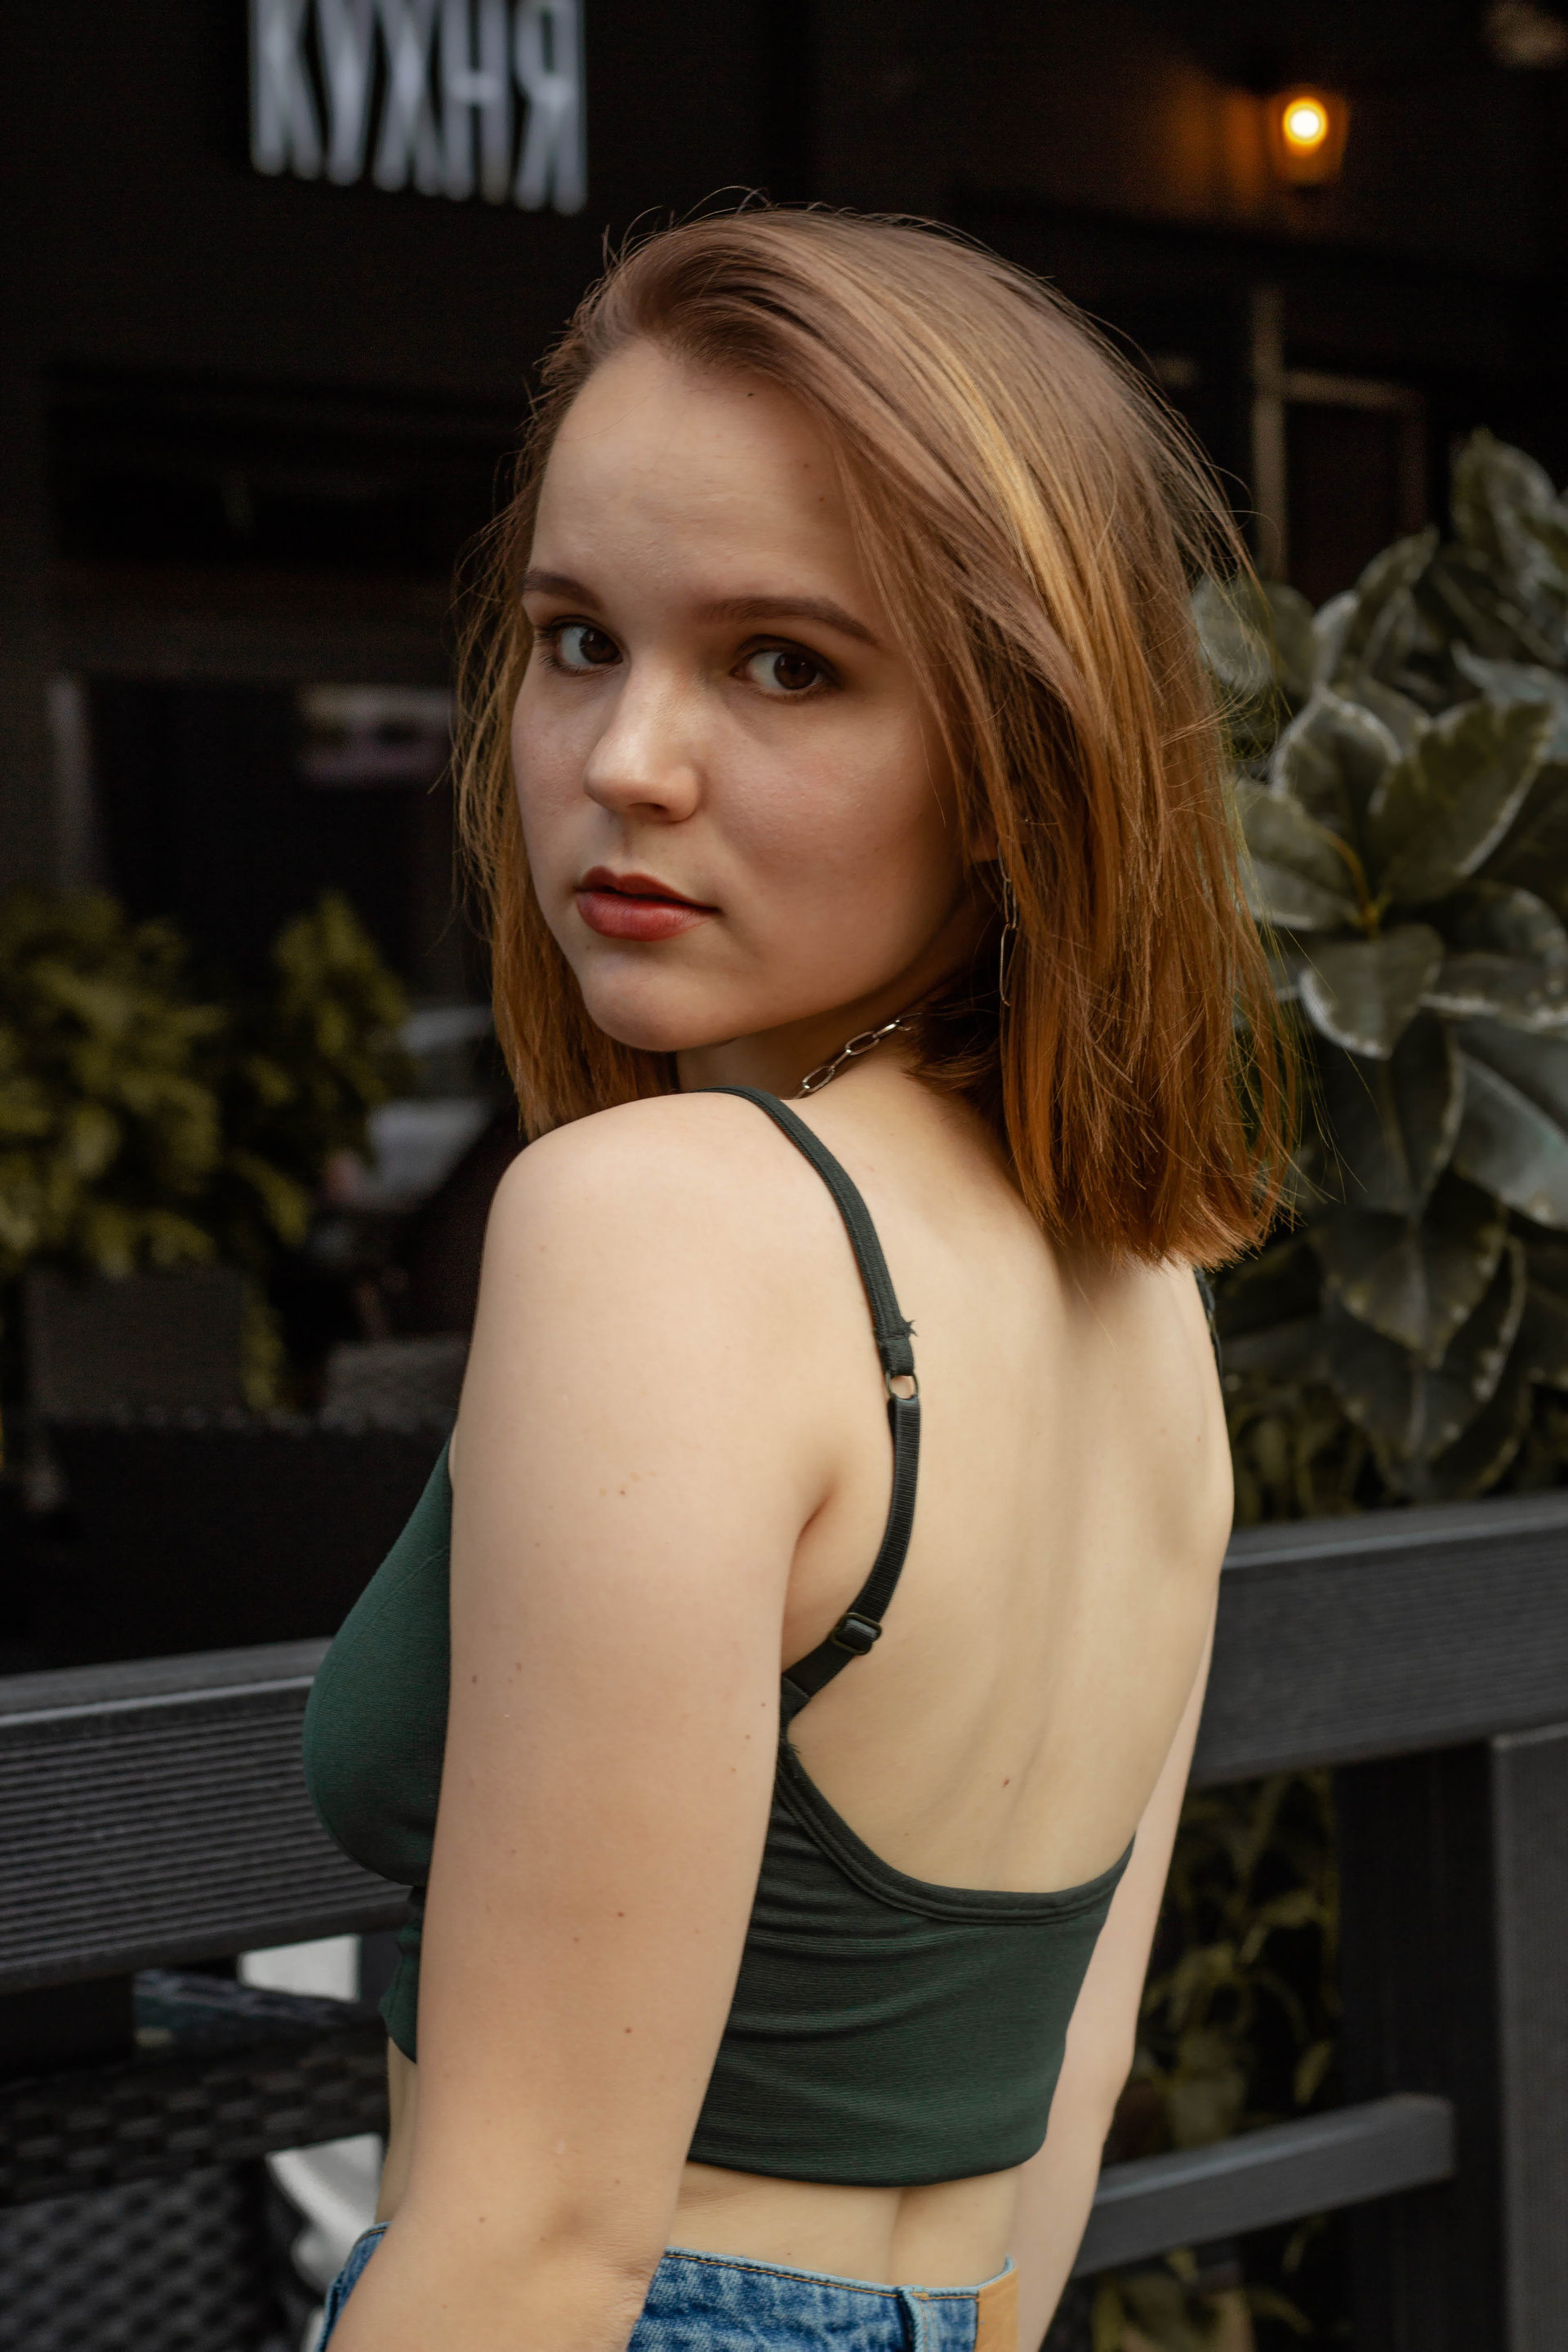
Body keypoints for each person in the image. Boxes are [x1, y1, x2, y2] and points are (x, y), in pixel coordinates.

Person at [301, 206, 1286, 2352]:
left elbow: (532, 2245)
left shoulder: (664, 1224)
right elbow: (1062, 2090)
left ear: (1023, 756)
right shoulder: (1139, 1292)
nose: (625, 763)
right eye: (579, 638)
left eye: (785, 664)